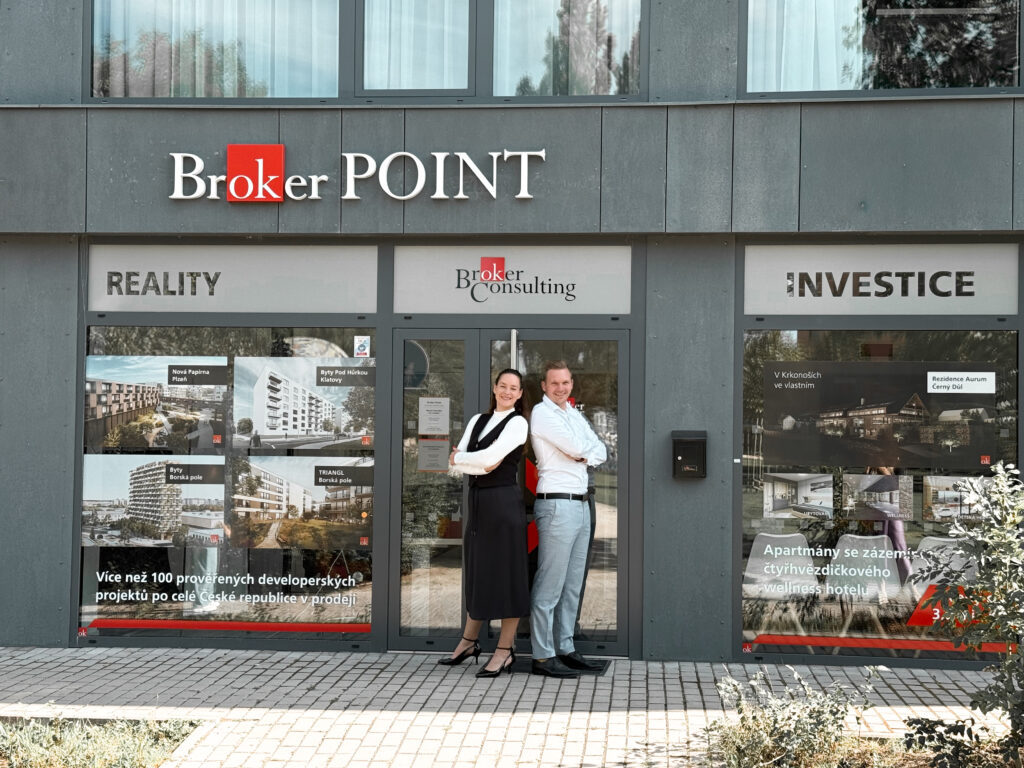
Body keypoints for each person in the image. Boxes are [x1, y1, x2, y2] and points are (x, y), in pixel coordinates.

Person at [440, 369, 531, 678]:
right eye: (503, 386)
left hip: (504, 505)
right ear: (494, 388)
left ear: (520, 394)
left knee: (506, 576)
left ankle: (504, 650)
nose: (507, 391)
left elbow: (489, 459)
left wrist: (463, 458)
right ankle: (469, 642)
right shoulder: (477, 420)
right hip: (478, 505)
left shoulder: (518, 423)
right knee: (479, 572)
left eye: (514, 388)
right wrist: (465, 461)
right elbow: (459, 464)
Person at [529, 360, 607, 677]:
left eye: (565, 382)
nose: (560, 388)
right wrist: (582, 451)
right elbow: (578, 447)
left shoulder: (572, 413)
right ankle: (542, 656)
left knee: (572, 584)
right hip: (558, 505)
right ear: (544, 386)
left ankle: (565, 647)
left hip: (581, 504)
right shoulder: (542, 413)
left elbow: (600, 451)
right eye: (554, 383)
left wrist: (582, 453)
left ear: (571, 384)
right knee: (550, 585)